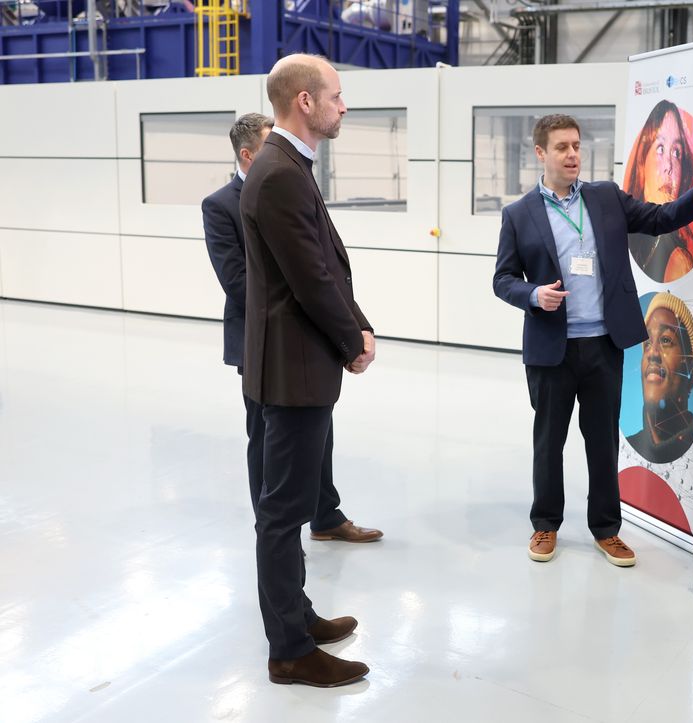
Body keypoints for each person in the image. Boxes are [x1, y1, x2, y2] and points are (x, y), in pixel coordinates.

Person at [493, 113, 693, 567]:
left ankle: (607, 529)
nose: (572, 156)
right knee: (548, 442)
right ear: (540, 153)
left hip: (604, 344)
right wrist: (532, 294)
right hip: (551, 350)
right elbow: (502, 279)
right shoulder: (519, 214)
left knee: (601, 441)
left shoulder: (604, 198)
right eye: (562, 147)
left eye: (577, 146)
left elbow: (660, 219)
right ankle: (545, 525)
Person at [240, 53, 376, 688]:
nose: (343, 105)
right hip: (294, 371)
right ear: (304, 102)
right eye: (336, 96)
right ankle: (289, 650)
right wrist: (351, 340)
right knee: (281, 513)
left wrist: (359, 321)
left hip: (298, 365)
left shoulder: (288, 166)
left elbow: (326, 263)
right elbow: (309, 279)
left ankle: (297, 614)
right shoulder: (279, 174)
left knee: (287, 506)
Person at [202, 112, 382, 546]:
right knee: (265, 438)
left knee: (319, 432)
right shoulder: (221, 205)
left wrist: (351, 325)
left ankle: (325, 515)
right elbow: (240, 282)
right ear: (247, 155)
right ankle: (275, 530)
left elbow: (322, 267)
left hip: (309, 339)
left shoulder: (292, 182)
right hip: (263, 342)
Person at [623, 100, 693, 283]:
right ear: (642, 162)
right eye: (660, 149)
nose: (669, 166)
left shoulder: (679, 262)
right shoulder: (621, 224)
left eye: (676, 152)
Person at [625, 293, 693, 464]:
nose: (652, 353)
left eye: (666, 340)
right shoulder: (627, 448)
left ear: (692, 372)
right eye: (647, 343)